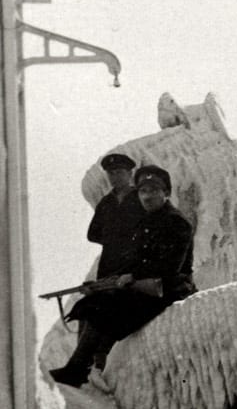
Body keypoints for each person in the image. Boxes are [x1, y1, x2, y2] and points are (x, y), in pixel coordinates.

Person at [49, 165, 197, 387]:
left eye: (153, 190)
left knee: (107, 308)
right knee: (91, 303)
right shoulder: (146, 221)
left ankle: (81, 370)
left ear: (166, 193)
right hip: (146, 286)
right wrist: (102, 283)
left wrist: (132, 277)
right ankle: (81, 369)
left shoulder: (177, 222)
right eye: (142, 191)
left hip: (169, 289)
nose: (147, 196)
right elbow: (132, 261)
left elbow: (170, 267)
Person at [89, 153, 147, 278]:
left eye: (119, 172)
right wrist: (114, 240)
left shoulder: (142, 198)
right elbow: (92, 234)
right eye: (111, 173)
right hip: (109, 265)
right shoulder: (105, 203)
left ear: (130, 174)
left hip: (137, 264)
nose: (115, 177)